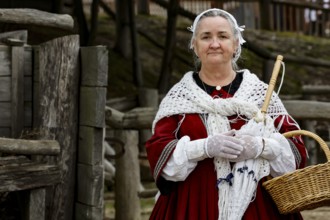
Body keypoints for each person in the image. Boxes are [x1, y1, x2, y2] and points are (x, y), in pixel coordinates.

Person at [146, 8, 307, 220]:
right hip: (192, 207)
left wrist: (262, 146)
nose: (214, 44)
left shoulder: (261, 95)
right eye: (205, 37)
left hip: (258, 205)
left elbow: (296, 150)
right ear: (194, 45)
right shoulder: (179, 97)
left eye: (222, 36)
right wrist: (203, 147)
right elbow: (159, 152)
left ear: (236, 44)